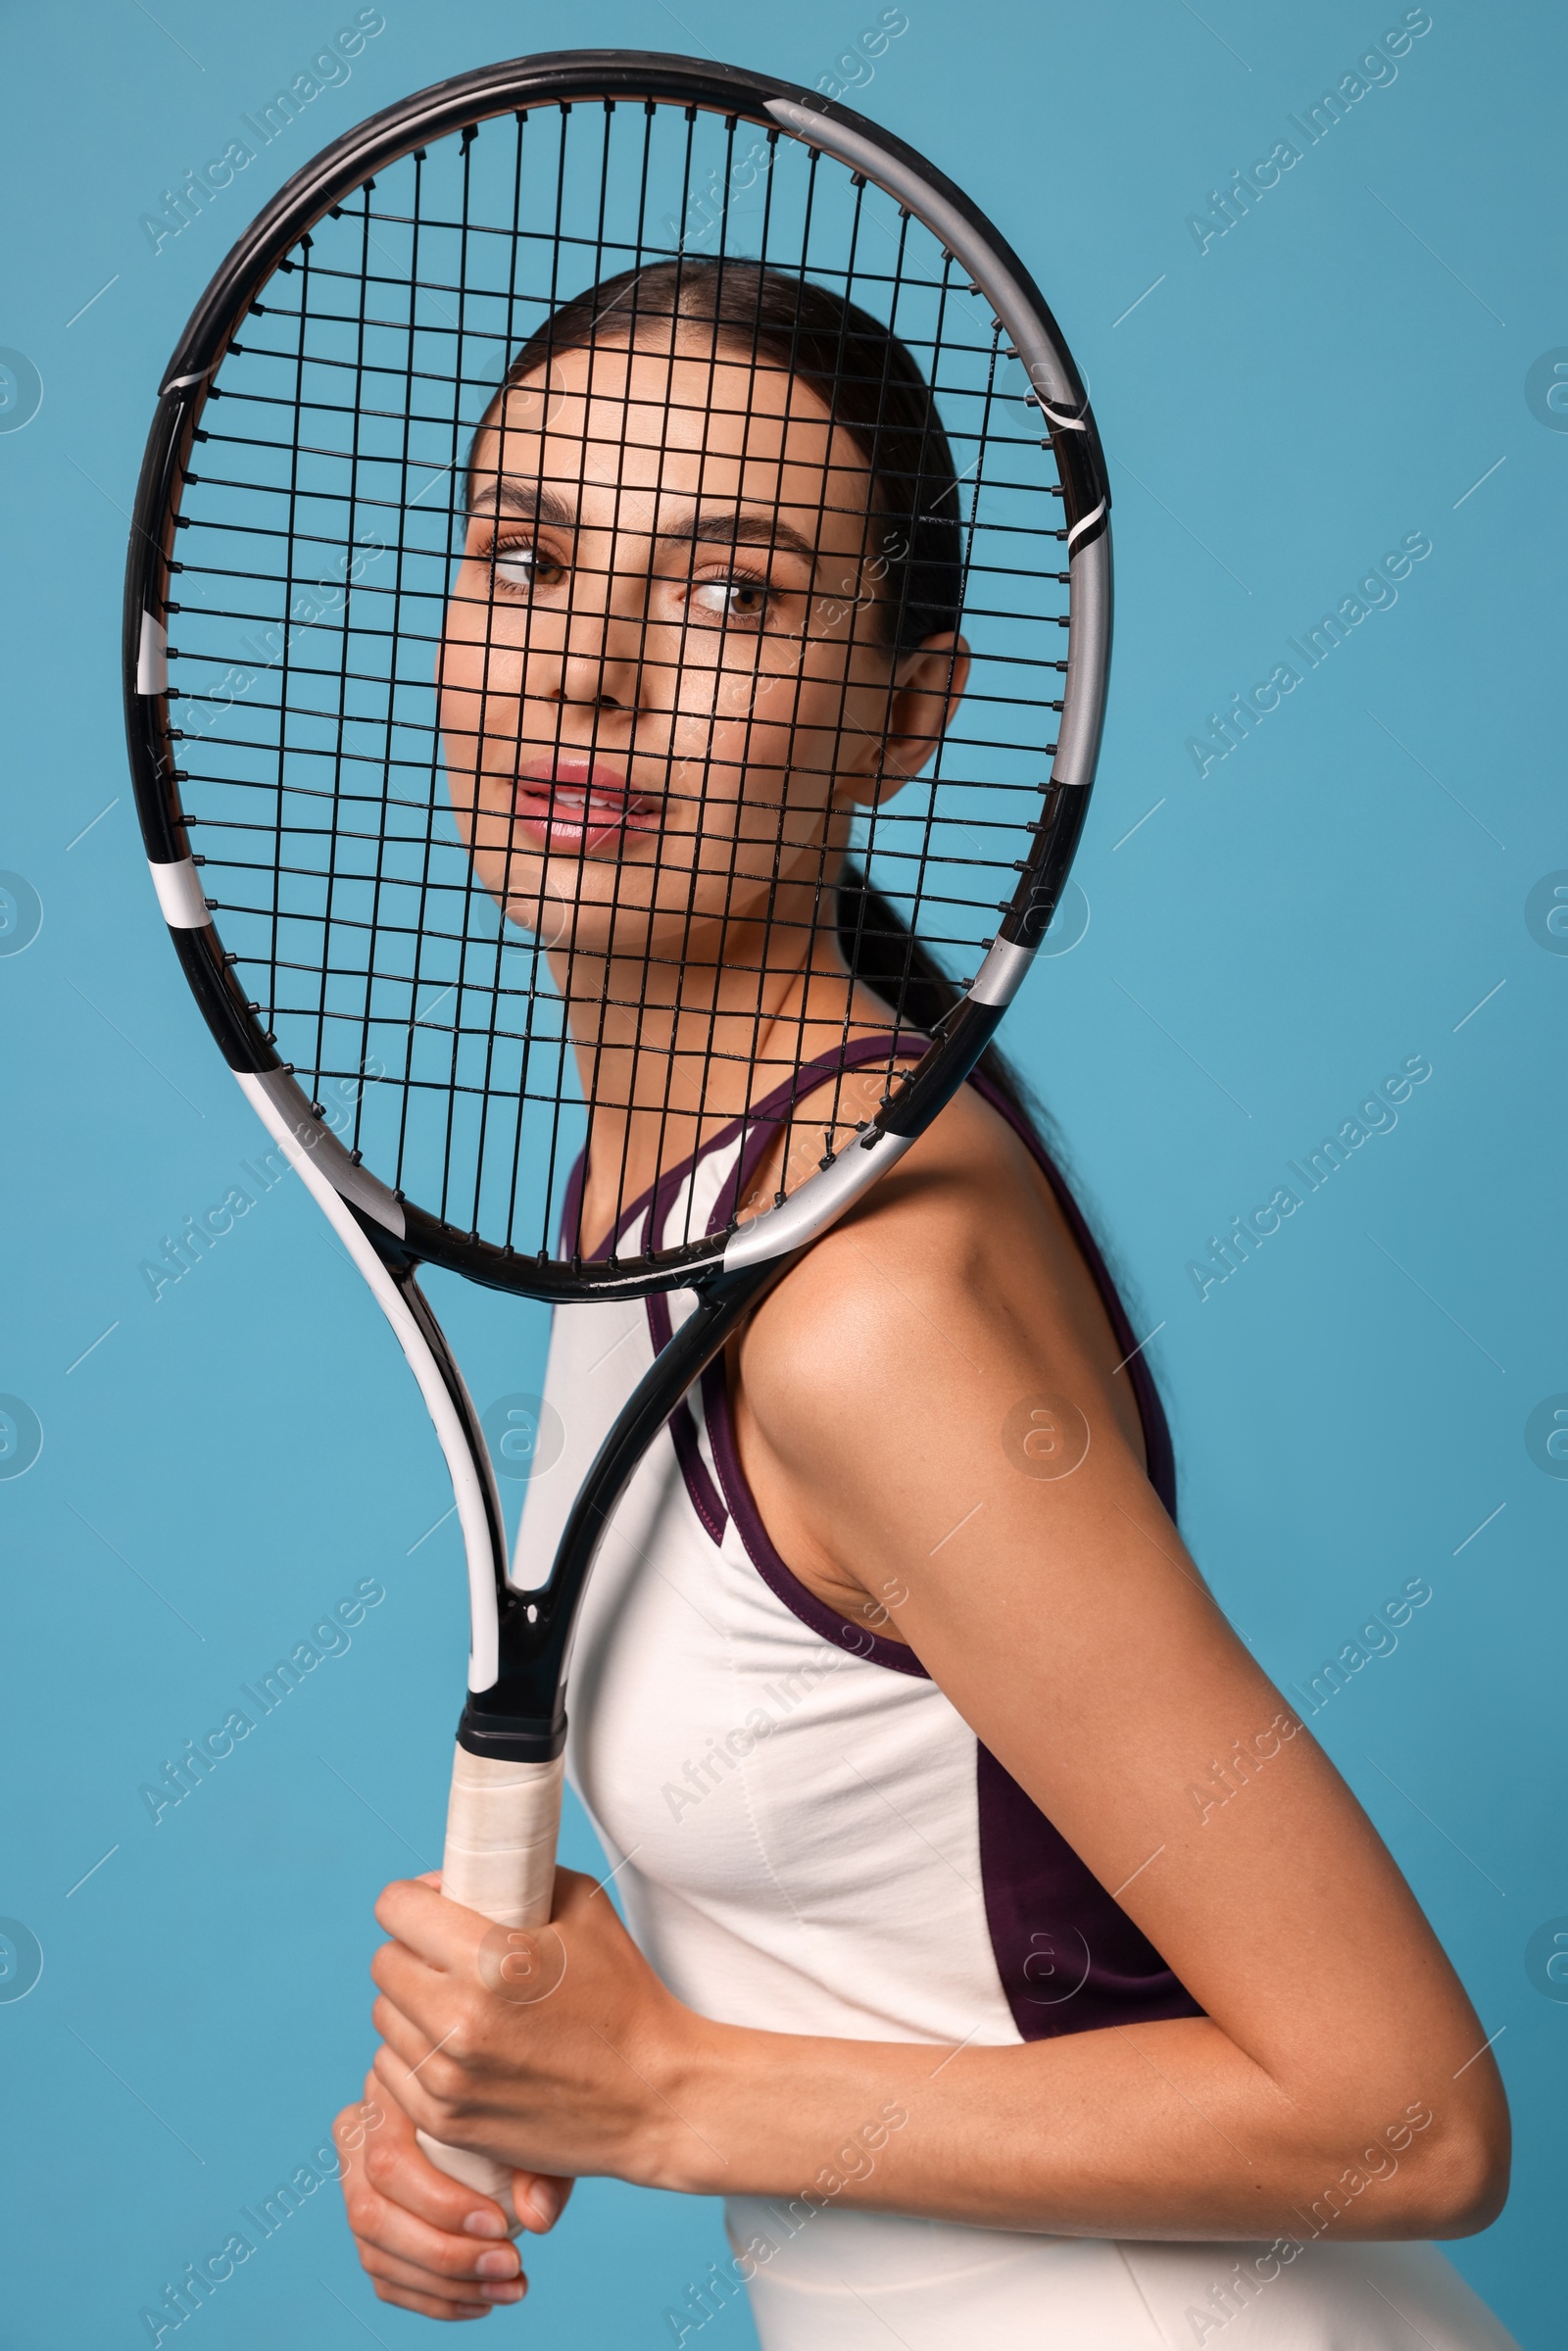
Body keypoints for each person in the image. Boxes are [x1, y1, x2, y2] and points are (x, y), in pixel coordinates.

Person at [332, 258, 1516, 2347]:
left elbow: (1404, 2117)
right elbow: (878, 1843)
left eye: (729, 596)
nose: (587, 672)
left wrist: (668, 2088)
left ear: (902, 713)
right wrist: (541, 2030)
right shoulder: (674, 1191)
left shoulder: (865, 1299)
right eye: (522, 557)